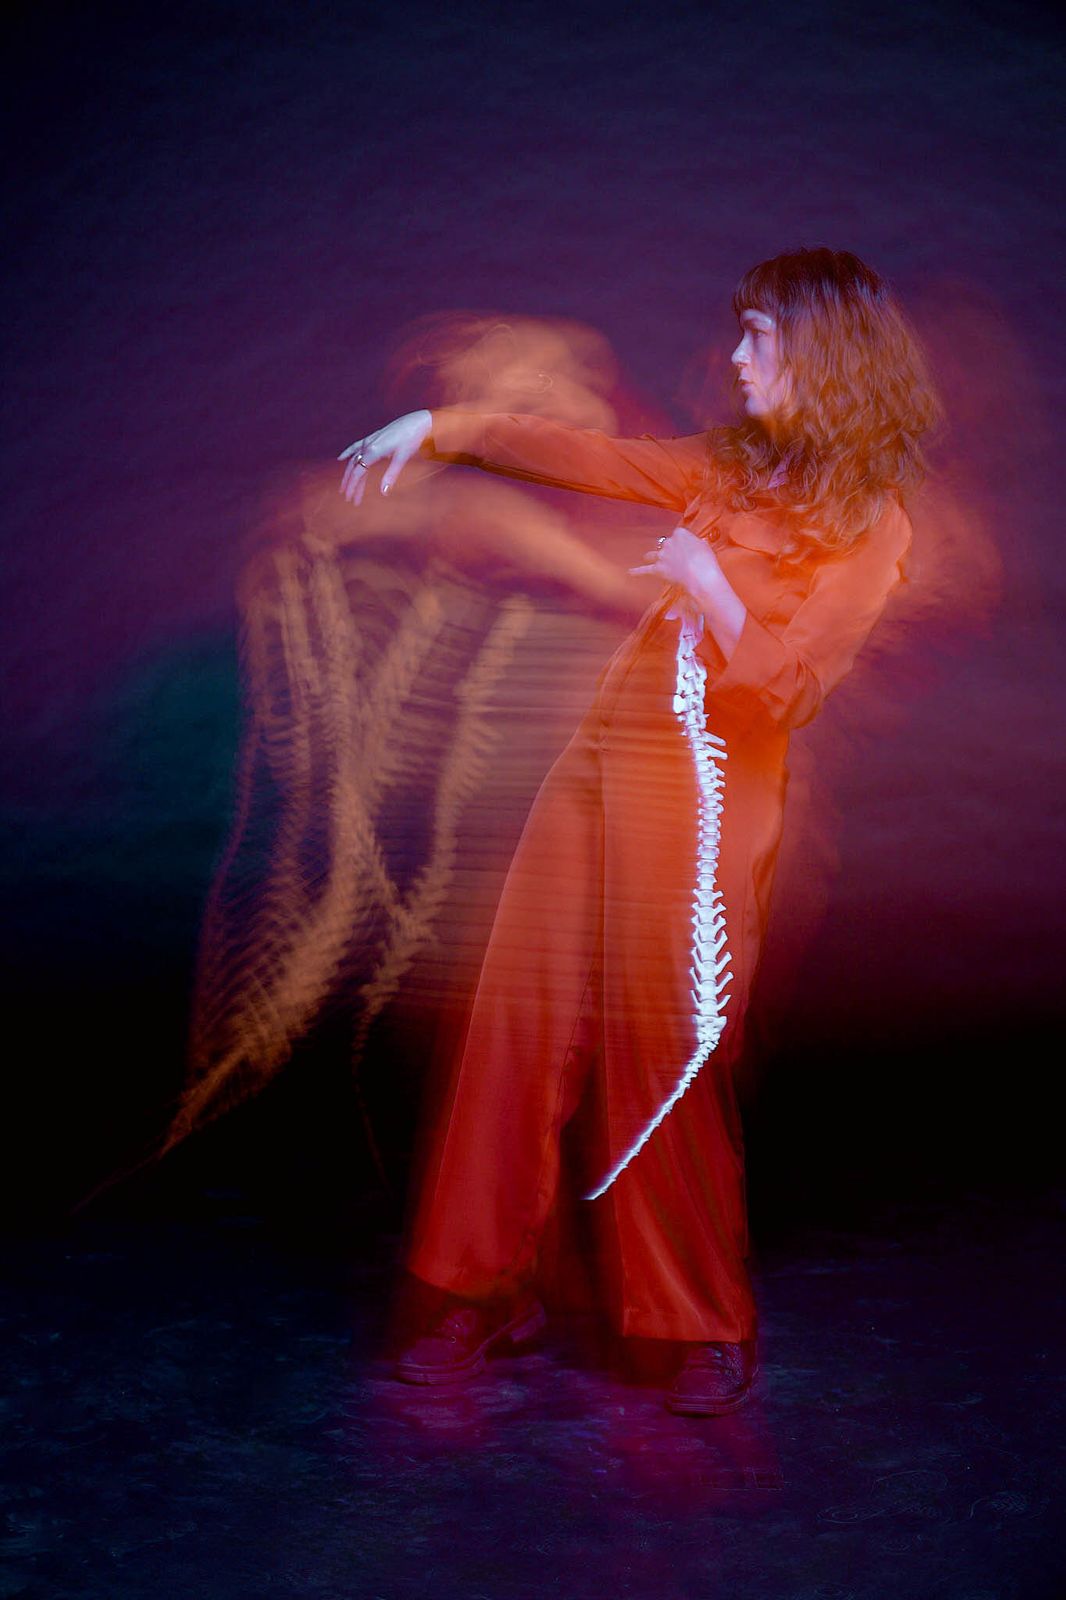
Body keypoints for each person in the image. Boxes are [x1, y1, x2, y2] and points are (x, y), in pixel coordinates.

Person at [338, 247, 940, 1415]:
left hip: (708, 797)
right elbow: (586, 455)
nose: (737, 357)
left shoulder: (874, 524)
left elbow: (788, 691)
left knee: (666, 1044)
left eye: (759, 336)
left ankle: (693, 1317)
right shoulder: (727, 464)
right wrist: (441, 426)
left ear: (821, 354)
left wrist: (711, 587)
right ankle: (476, 1289)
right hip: (599, 767)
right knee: (516, 1019)